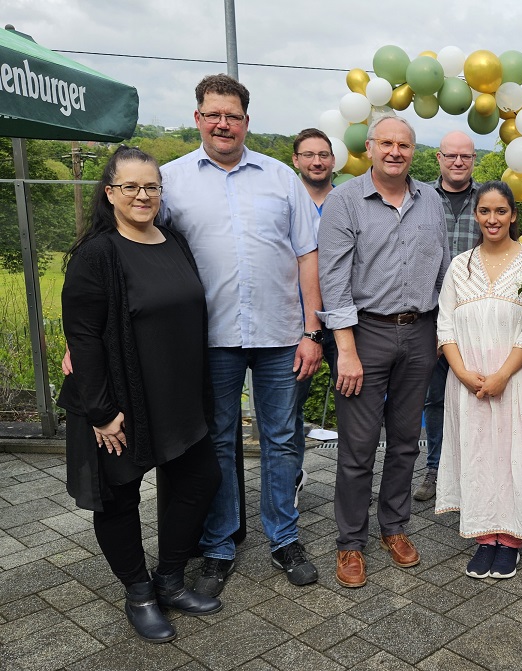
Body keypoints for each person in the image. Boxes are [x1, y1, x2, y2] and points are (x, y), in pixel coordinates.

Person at [160, 74, 322, 596]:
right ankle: (220, 544)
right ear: (198, 118)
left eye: (232, 115)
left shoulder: (280, 178)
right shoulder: (170, 181)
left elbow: (307, 255)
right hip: (209, 339)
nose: (223, 123)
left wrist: (311, 331)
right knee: (218, 443)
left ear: (247, 122)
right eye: (213, 114)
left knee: (281, 439)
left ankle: (283, 538)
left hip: (280, 335)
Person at [58, 146, 223, 643]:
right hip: (119, 404)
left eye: (151, 186)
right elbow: (83, 337)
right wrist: (102, 412)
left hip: (175, 398)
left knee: (201, 479)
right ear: (110, 193)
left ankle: (169, 580)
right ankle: (139, 593)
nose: (143, 195)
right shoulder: (97, 255)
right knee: (118, 499)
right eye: (130, 186)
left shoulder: (172, 240)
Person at [318, 115, 450, 588]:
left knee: (404, 443)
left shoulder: (431, 200)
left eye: (405, 145)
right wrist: (345, 349)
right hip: (365, 335)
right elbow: (332, 278)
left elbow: (443, 267)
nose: (395, 151)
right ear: (370, 147)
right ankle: (350, 542)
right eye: (387, 143)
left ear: (414, 151)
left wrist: (440, 328)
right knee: (357, 447)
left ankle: (394, 527)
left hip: (420, 333)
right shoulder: (345, 202)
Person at [435, 181, 522, 579]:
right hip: (470, 379)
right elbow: (444, 323)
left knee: (518, 450)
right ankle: (485, 535)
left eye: (500, 211)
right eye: (485, 212)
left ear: (513, 215)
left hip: (520, 377)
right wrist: (462, 372)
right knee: (482, 451)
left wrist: (501, 375)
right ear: (476, 216)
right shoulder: (459, 265)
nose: (492, 219)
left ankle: (512, 538)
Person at [414, 131, 481, 502]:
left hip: (476, 320)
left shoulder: (487, 198)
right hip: (430, 316)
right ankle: (435, 469)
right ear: (438, 158)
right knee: (434, 399)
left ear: (474, 160)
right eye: (451, 156)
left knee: (476, 395)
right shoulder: (420, 198)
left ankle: (474, 471)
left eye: (466, 157)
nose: (458, 162)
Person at [290, 127, 336, 508]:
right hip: (298, 320)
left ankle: (352, 485)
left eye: (323, 154)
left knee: (355, 403)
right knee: (290, 402)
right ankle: (291, 475)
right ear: (296, 160)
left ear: (333, 160)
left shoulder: (349, 201)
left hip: (344, 318)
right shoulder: (285, 199)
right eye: (309, 154)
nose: (316, 161)